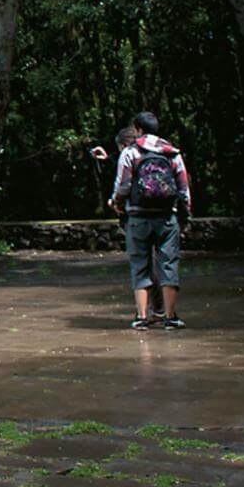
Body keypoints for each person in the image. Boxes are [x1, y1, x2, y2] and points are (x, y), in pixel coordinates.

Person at [109, 112, 191, 330]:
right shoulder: (172, 153)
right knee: (168, 266)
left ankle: (142, 318)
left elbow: (122, 186)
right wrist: (183, 216)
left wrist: (118, 205)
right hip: (166, 217)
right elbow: (183, 190)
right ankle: (170, 317)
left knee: (140, 266)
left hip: (138, 217)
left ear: (137, 129)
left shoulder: (131, 152)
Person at [91, 126, 165, 319]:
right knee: (156, 262)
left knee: (142, 265)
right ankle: (161, 309)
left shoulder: (128, 155)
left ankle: (145, 313)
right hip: (161, 215)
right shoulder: (159, 152)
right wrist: (107, 160)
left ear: (123, 145)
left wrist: (115, 202)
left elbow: (123, 182)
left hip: (136, 216)